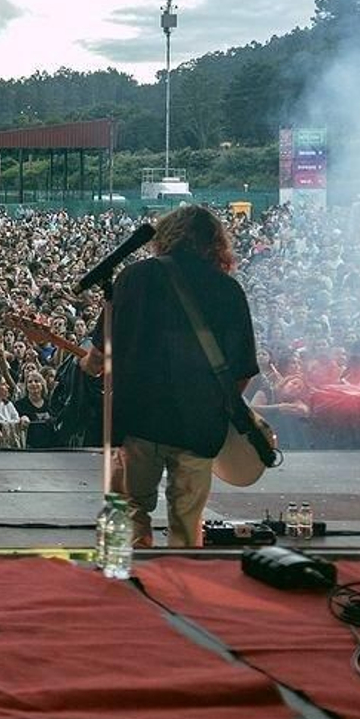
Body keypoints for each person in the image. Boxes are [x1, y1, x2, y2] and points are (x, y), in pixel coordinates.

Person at [81, 206, 259, 549]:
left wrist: (90, 365)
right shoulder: (228, 290)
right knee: (188, 520)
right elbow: (241, 372)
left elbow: (99, 357)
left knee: (131, 513)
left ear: (164, 236)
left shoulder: (132, 278)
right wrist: (216, 407)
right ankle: (183, 585)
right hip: (199, 424)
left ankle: (132, 585)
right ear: (215, 242)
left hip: (138, 419)